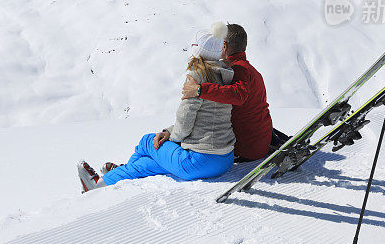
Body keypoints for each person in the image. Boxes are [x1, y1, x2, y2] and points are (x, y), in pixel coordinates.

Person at [78, 24, 236, 192]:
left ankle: (109, 178)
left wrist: (170, 136)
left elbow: (185, 123)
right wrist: (169, 131)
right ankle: (107, 180)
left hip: (198, 162)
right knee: (151, 163)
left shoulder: (197, 78)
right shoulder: (226, 76)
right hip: (224, 160)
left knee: (148, 141)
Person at [181, 23, 275, 162]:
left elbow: (238, 95)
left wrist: (200, 89)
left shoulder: (237, 69)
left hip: (246, 150)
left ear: (224, 46)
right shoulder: (251, 70)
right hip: (261, 143)